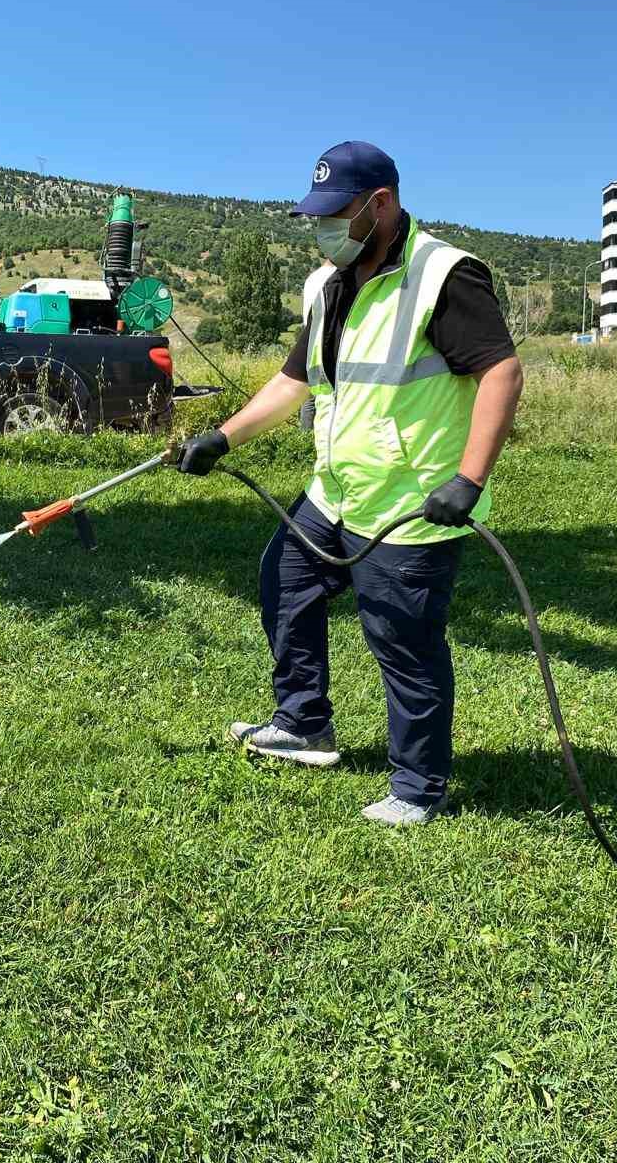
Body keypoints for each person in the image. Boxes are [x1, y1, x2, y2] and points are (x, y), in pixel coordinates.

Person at [175, 141, 523, 826]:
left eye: (337, 213)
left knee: (402, 638)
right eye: (317, 214)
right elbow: (294, 381)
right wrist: (223, 436)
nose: (324, 226)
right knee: (285, 580)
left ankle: (419, 788)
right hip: (334, 490)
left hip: (409, 502)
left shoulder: (443, 275)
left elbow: (501, 373)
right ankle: (305, 725)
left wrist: (469, 479)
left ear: (381, 204)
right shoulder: (326, 284)